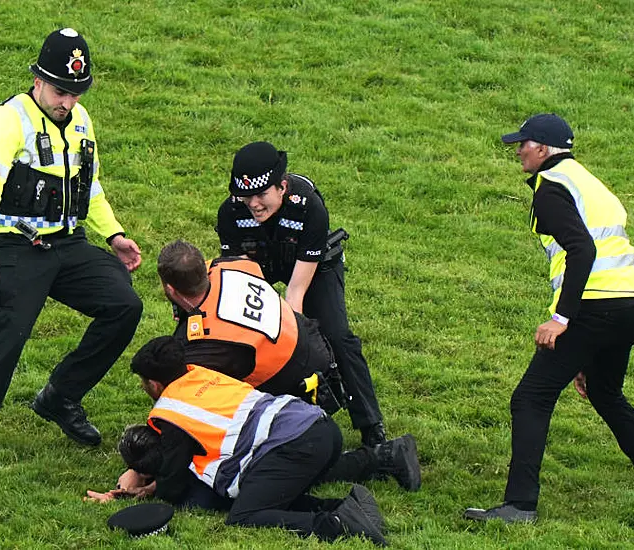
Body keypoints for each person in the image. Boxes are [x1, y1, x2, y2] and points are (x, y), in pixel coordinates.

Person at [464, 114, 634, 523]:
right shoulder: (587, 180)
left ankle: (520, 506)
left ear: (543, 148)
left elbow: (583, 251)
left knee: (530, 398)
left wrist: (562, 319)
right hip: (629, 306)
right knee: (605, 392)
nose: (518, 151)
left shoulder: (552, 189)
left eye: (524, 144)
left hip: (592, 310)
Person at [0, 28, 143, 462]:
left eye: (76, 93)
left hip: (68, 245)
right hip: (15, 246)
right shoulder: (4, 121)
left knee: (124, 306)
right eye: (60, 91)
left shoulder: (82, 121)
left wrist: (113, 234)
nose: (68, 102)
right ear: (37, 80)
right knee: (11, 331)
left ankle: (59, 396)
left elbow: (88, 188)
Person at [106, 336, 425, 545]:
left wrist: (139, 486)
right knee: (283, 482)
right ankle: (383, 458)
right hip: (319, 427)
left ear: (154, 383)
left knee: (246, 515)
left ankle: (339, 522)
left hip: (292, 447)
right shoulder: (202, 374)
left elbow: (174, 484)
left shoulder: (170, 411)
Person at [215, 141, 386, 447]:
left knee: (336, 335)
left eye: (261, 194)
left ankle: (371, 426)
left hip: (313, 267)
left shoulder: (310, 206)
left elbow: (296, 291)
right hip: (259, 263)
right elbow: (241, 276)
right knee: (248, 334)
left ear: (281, 187)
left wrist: (298, 339)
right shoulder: (230, 212)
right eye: (246, 195)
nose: (253, 204)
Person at [158, 239, 344, 409]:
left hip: (295, 386)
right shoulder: (229, 265)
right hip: (312, 339)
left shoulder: (204, 342)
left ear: (171, 289)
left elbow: (185, 389)